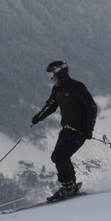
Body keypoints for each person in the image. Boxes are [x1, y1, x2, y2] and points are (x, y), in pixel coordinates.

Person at [31, 60, 98, 199]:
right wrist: (38, 117)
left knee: (59, 156)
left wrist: (89, 129)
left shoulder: (76, 87)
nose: (50, 78)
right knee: (59, 156)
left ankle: (68, 187)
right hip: (67, 129)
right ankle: (71, 185)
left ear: (59, 73)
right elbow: (51, 105)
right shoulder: (57, 89)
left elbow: (91, 106)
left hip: (79, 130)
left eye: (51, 74)